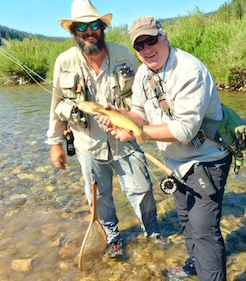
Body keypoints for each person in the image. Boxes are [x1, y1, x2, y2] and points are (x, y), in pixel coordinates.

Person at [98, 16, 232, 280]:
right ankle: (196, 266)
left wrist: (136, 133)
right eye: (140, 46)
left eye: (151, 41)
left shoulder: (189, 71)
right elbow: (139, 114)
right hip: (177, 164)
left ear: (165, 38)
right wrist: (118, 115)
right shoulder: (143, 75)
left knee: (204, 231)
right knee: (187, 222)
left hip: (207, 160)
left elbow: (184, 131)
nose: (147, 49)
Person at [46, 0, 162, 259]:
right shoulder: (64, 62)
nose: (89, 32)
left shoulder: (122, 54)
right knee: (100, 197)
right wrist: (55, 143)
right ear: (74, 31)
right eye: (82, 28)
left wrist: (156, 126)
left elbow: (146, 93)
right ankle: (113, 237)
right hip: (87, 143)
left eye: (94, 25)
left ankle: (152, 230)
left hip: (126, 138)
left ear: (102, 27)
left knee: (142, 189)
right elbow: (56, 104)